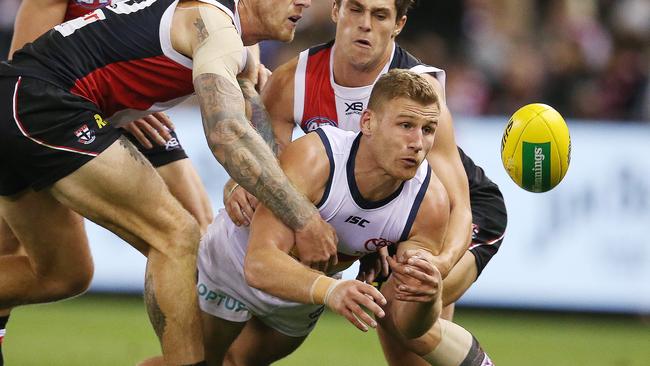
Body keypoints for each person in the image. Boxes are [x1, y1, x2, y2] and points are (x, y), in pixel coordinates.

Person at [0, 0, 338, 364]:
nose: (303, 2)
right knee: (178, 237)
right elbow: (226, 133)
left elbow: (251, 119)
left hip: (22, 103)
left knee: (63, 274)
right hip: (41, 102)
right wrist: (303, 217)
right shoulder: (214, 25)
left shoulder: (235, 40)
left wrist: (247, 184)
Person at [224, 0, 507, 364]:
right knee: (242, 355)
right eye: (356, 10)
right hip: (375, 218)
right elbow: (266, 170)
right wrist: (237, 186)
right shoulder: (293, 80)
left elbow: (456, 205)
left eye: (379, 15)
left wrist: (438, 267)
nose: (365, 25)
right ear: (336, 11)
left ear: (399, 24)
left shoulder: (418, 89)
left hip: (445, 215)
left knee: (405, 314)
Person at [0, 0, 215, 359]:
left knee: (200, 240)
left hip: (136, 113)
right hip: (64, 111)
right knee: (30, 255)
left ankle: (194, 355)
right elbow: (26, 64)